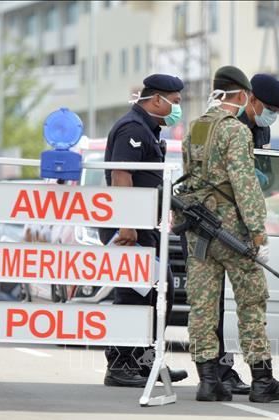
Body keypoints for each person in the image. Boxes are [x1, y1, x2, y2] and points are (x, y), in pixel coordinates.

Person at [179, 66, 279, 402]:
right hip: (233, 233)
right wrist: (259, 236)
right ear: (244, 95)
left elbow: (189, 178)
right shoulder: (236, 132)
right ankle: (262, 382)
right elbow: (245, 187)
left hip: (199, 232)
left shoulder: (197, 127)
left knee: (202, 307)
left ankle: (209, 381)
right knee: (251, 304)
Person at [100, 73, 188, 387]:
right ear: (156, 99)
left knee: (155, 291)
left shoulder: (147, 129)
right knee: (133, 294)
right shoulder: (132, 128)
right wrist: (127, 225)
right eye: (175, 102)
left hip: (143, 224)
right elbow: (122, 175)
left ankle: (142, 362)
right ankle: (121, 366)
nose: (178, 108)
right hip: (128, 228)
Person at [212, 73, 279, 395]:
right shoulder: (229, 125)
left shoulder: (261, 127)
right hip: (222, 223)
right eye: (269, 107)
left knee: (248, 304)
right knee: (216, 304)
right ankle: (224, 372)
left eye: (278, 110)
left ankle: (230, 374)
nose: (272, 114)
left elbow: (264, 175)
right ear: (251, 99)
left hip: (245, 221)